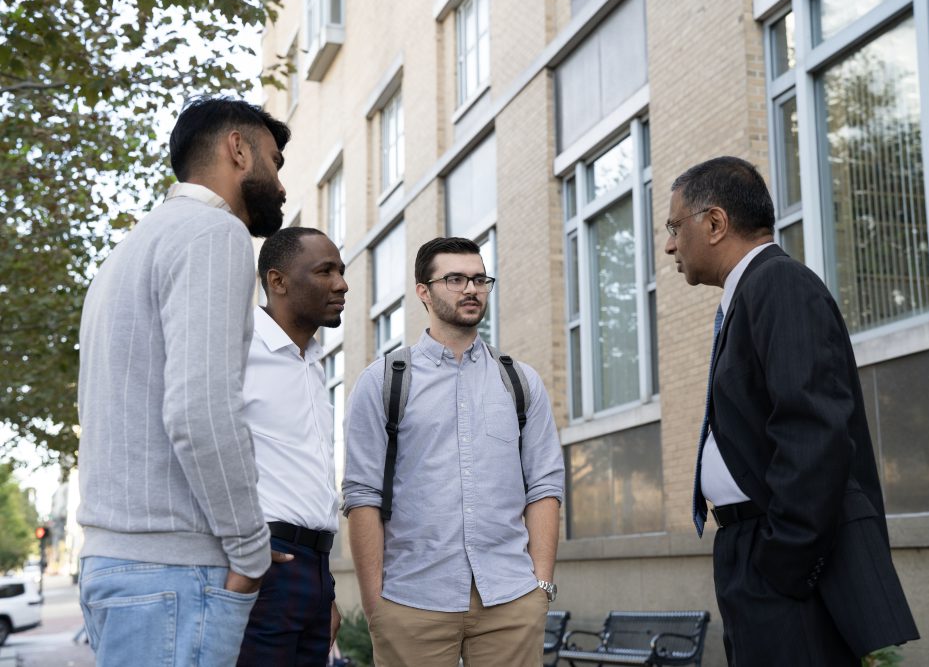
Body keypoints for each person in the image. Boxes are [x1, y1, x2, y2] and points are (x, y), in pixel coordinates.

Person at [665, 156, 919, 666]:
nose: (670, 244)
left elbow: (814, 434)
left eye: (674, 227)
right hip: (751, 548)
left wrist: (782, 562)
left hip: (783, 563)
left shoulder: (779, 285)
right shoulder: (749, 296)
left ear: (715, 224)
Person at [76, 96, 290, 666]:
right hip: (173, 576)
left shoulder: (130, 250)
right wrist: (251, 554)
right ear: (237, 149)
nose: (282, 185)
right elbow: (201, 410)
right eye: (275, 160)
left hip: (120, 568)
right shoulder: (212, 234)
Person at [342, 237, 565, 667]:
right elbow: (361, 494)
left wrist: (540, 587)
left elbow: (544, 485)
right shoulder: (384, 382)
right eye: (456, 279)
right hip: (411, 601)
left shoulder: (519, 381)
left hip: (511, 600)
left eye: (480, 279)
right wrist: (376, 607)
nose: (471, 289)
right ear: (423, 291)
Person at [237, 227, 348, 665]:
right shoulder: (237, 345)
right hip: (264, 567)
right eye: (325, 271)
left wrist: (327, 589)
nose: (341, 284)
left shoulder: (315, 362)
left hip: (315, 569)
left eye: (341, 271)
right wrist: (240, 549)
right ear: (277, 281)